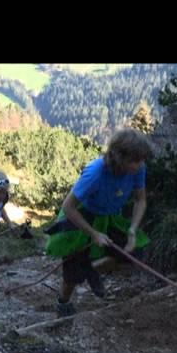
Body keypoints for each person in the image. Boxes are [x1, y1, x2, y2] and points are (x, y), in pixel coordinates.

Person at [45, 128, 152, 317]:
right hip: (81, 217)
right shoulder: (95, 174)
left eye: (142, 159)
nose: (140, 164)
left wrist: (133, 230)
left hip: (108, 216)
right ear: (121, 158)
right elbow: (68, 207)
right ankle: (64, 302)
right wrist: (93, 234)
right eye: (136, 160)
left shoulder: (138, 170)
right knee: (72, 270)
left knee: (132, 252)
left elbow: (140, 200)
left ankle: (91, 269)